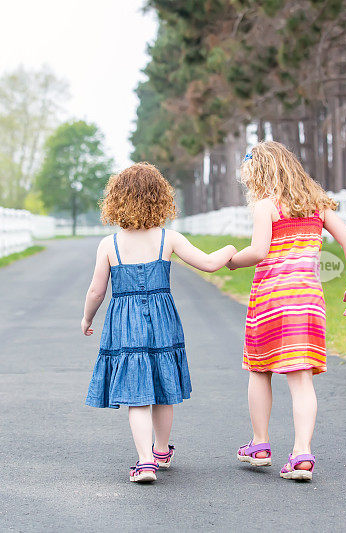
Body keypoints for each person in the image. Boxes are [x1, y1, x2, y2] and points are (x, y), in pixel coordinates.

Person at [82, 162, 237, 483]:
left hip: (125, 321)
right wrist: (231, 248)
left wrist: (86, 317)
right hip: (162, 318)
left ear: (116, 200)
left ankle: (144, 461)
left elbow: (97, 289)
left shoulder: (109, 245)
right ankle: (161, 451)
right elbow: (208, 264)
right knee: (162, 387)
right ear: (160, 198)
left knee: (136, 391)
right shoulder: (169, 238)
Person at [227, 141, 346, 481]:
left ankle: (260, 444)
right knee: (301, 380)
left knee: (260, 371)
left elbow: (258, 251)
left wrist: (230, 260)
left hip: (271, 301)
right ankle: (302, 453)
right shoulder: (319, 206)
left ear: (260, 174)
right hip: (307, 302)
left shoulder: (266, 206)